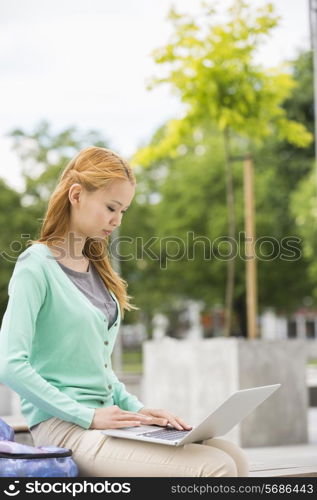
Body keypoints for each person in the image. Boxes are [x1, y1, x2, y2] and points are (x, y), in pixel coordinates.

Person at [0, 146, 249, 477]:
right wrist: (86, 416)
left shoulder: (97, 269)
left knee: (232, 455)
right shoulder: (37, 265)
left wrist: (142, 412)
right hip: (65, 429)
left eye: (123, 211)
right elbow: (10, 364)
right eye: (111, 207)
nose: (117, 220)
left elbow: (99, 373)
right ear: (77, 195)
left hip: (107, 421)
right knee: (213, 467)